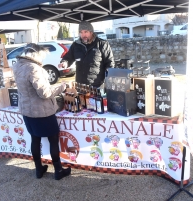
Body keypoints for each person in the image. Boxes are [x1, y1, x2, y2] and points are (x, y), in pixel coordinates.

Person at [12, 43, 71, 180]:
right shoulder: (34, 69)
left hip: (27, 110)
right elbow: (44, 93)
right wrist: (61, 87)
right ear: (37, 54)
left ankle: (39, 169)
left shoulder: (18, 66)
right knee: (53, 140)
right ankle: (58, 170)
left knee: (35, 139)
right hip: (41, 111)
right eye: (42, 56)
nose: (43, 60)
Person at [58, 21, 115, 88]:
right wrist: (64, 62)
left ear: (91, 32)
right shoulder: (76, 45)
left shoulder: (102, 44)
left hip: (97, 85)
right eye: (81, 32)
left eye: (86, 32)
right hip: (80, 85)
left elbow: (110, 62)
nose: (83, 35)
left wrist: (109, 75)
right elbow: (68, 57)